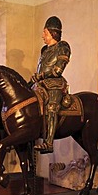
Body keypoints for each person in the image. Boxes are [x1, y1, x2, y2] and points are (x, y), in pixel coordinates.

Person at [29, 16, 71, 154]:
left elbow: (58, 70)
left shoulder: (63, 47)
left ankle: (48, 143)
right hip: (40, 84)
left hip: (55, 84)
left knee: (52, 107)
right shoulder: (44, 50)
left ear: (52, 33)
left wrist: (42, 75)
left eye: (45, 33)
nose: (42, 36)